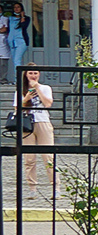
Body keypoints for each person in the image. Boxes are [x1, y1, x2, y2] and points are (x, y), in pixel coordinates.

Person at [15, 66, 53, 195]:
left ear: (39, 74)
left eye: (35, 73)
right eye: (30, 73)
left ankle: (55, 187)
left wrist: (37, 88)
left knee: (48, 156)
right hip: (27, 124)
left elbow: (48, 104)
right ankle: (32, 188)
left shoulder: (45, 88)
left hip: (43, 121)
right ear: (25, 75)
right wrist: (25, 99)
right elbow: (17, 109)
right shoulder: (20, 90)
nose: (33, 75)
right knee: (29, 158)